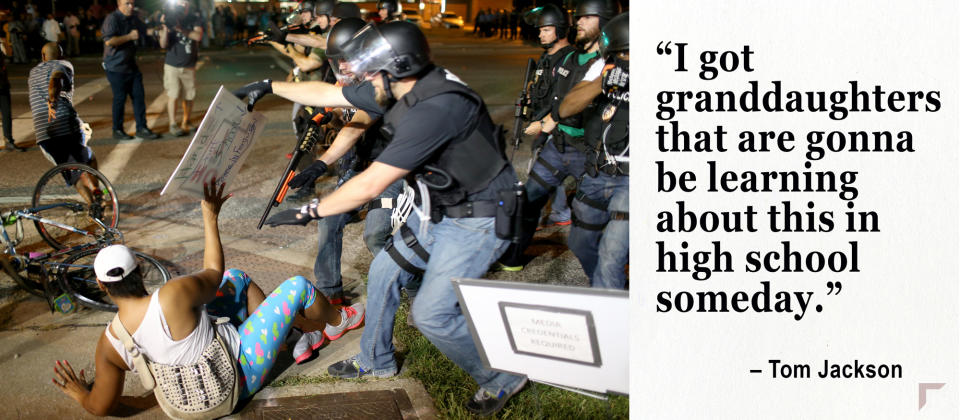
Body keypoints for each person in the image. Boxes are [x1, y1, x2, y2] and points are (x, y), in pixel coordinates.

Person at [233, 21, 528, 416]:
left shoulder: (436, 108)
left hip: (476, 219)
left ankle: (501, 377)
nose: (361, 78)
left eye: (369, 71)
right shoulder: (401, 84)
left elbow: (371, 183)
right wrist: (269, 87)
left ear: (397, 67)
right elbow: (330, 93)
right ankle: (376, 360)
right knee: (384, 270)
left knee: (431, 315)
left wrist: (312, 209)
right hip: (439, 206)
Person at [50, 178, 366, 416]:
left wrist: (80, 394)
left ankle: (291, 337)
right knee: (298, 287)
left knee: (236, 280)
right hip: (237, 380)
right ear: (139, 270)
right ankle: (338, 322)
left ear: (102, 286)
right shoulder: (170, 296)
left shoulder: (110, 342)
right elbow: (212, 273)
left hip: (189, 408)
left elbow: (101, 406)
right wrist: (209, 215)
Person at [498, 1, 616, 271]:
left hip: (591, 154)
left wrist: (551, 120)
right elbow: (554, 98)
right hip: (559, 146)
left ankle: (606, 279)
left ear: (605, 21)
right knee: (528, 201)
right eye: (579, 17)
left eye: (587, 17)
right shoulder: (569, 58)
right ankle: (512, 258)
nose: (579, 22)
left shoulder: (609, 65)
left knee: (591, 221)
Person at [559, 12, 629, 289]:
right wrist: (604, 80)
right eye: (620, 53)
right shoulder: (604, 66)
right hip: (598, 172)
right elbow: (566, 108)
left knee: (611, 256)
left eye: (629, 53)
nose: (624, 59)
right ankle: (612, 294)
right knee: (580, 243)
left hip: (633, 180)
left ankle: (611, 321)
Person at [29, 43, 98, 202]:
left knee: (72, 171)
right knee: (88, 157)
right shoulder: (63, 64)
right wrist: (52, 99)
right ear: (61, 55)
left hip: (43, 131)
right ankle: (97, 190)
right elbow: (55, 78)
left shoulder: (33, 72)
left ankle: (92, 205)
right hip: (64, 123)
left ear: (43, 56)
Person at [101, 0, 159, 140]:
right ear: (119, 3)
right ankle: (117, 130)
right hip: (115, 66)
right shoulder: (112, 19)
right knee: (120, 99)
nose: (131, 6)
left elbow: (145, 31)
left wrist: (160, 29)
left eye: (132, 3)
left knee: (139, 97)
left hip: (131, 65)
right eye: (127, 3)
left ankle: (142, 128)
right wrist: (129, 37)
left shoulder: (133, 18)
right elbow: (109, 41)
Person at [158, 0, 203, 137]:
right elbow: (162, 44)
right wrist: (166, 28)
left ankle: (186, 121)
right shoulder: (167, 17)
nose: (182, 6)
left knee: (189, 96)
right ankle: (172, 124)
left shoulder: (194, 19)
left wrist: (180, 29)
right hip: (172, 65)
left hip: (189, 65)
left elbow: (198, 36)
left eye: (185, 4)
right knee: (173, 94)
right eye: (180, 3)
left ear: (188, 6)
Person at [1, 40, 26, 152]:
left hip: (2, 85)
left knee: (7, 114)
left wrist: (4, 43)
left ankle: (9, 141)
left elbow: (9, 53)